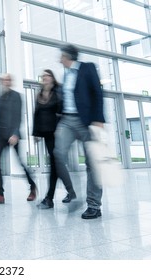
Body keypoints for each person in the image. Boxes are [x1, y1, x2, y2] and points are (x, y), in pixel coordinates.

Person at [54, 44, 105, 219]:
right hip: (67, 120)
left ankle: (94, 205)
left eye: (61, 56)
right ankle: (72, 191)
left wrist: (99, 119)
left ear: (68, 56)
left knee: (92, 164)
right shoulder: (65, 75)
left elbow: (98, 93)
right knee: (58, 153)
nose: (59, 59)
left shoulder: (87, 68)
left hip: (87, 121)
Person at [0, 73, 37, 204]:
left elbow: (18, 117)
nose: (6, 82)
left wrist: (15, 133)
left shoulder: (17, 96)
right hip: (1, 135)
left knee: (20, 162)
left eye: (8, 80)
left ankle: (32, 186)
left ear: (11, 81)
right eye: (4, 80)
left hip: (13, 135)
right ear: (1, 82)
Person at [32, 69, 75, 209]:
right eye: (43, 76)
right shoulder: (39, 94)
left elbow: (62, 112)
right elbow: (36, 114)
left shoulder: (58, 92)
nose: (44, 77)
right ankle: (70, 191)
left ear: (52, 78)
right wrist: (36, 133)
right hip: (45, 134)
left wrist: (61, 130)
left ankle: (50, 197)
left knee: (55, 164)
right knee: (56, 164)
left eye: (47, 75)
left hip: (57, 133)